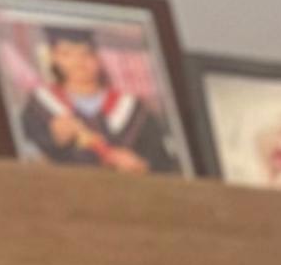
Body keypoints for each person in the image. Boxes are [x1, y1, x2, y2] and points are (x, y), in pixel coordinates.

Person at [12, 26, 179, 176]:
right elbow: (20, 159)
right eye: (67, 54)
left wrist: (140, 164)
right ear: (54, 58)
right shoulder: (40, 105)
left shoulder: (133, 108)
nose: (78, 63)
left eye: (86, 53)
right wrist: (52, 139)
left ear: (98, 58)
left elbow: (163, 163)